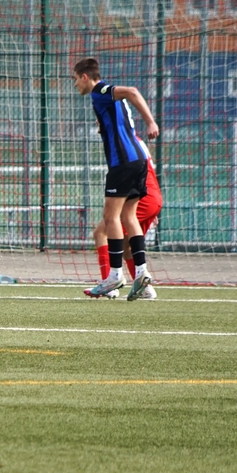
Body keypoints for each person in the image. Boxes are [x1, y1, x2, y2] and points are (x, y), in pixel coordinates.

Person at [73, 57, 159, 301]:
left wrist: (150, 122)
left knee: (110, 217)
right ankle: (141, 273)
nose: (76, 84)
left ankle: (114, 275)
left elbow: (132, 91)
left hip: (122, 162)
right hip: (139, 160)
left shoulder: (100, 91)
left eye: (76, 79)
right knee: (128, 217)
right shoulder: (108, 100)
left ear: (85, 77)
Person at [86, 134, 161, 300]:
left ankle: (110, 285)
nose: (98, 123)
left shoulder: (122, 141)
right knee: (126, 246)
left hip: (142, 196)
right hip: (150, 195)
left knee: (101, 233)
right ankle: (144, 289)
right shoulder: (135, 141)